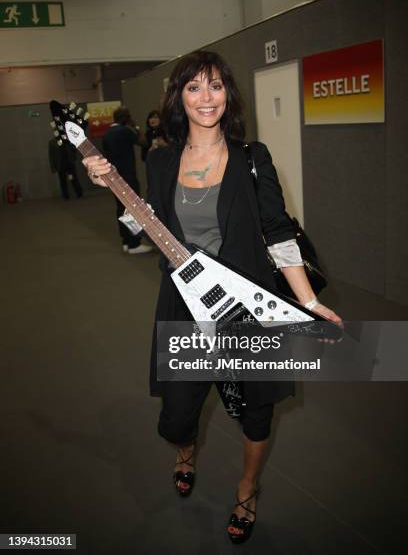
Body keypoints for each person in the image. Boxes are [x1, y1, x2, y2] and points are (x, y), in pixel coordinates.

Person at [82, 51, 342, 544]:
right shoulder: (160, 159)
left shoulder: (252, 158)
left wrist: (306, 301)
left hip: (246, 307)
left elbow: (277, 232)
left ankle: (247, 488)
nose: (207, 98)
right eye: (195, 87)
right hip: (183, 305)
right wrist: (113, 190)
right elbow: (146, 225)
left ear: (229, 95)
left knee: (255, 410)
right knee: (179, 413)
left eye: (217, 86)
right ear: (178, 96)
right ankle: (186, 451)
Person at [101, 106, 152, 255]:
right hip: (128, 176)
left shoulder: (107, 134)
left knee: (121, 209)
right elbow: (144, 142)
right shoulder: (125, 130)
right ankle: (134, 244)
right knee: (133, 209)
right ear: (125, 118)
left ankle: (125, 241)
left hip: (114, 176)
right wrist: (135, 126)